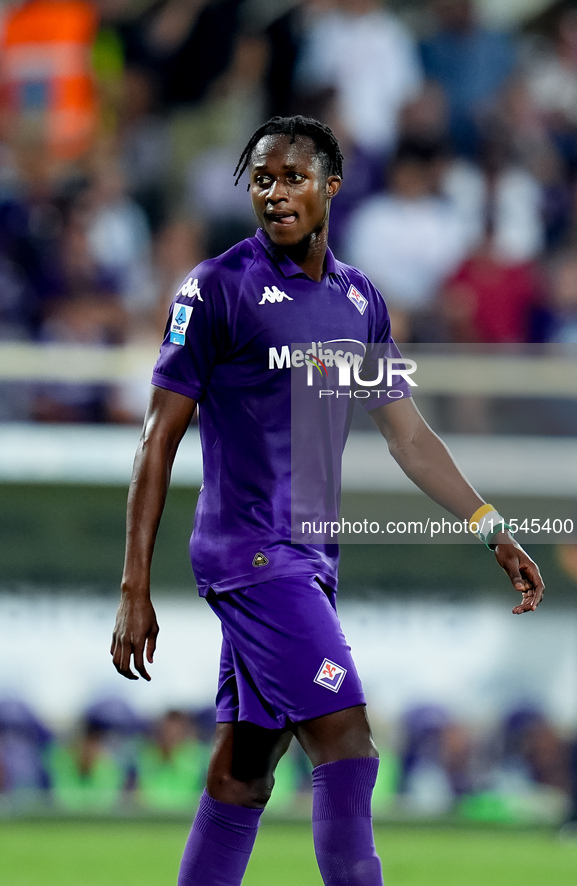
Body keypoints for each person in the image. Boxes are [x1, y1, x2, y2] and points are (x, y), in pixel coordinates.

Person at [110, 115, 545, 886]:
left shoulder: (358, 301)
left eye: (293, 178)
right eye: (262, 181)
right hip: (248, 555)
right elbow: (156, 440)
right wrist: (133, 585)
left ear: (330, 189)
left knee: (243, 773)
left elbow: (408, 438)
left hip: (307, 561)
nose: (275, 194)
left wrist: (492, 528)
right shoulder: (215, 288)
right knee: (347, 741)